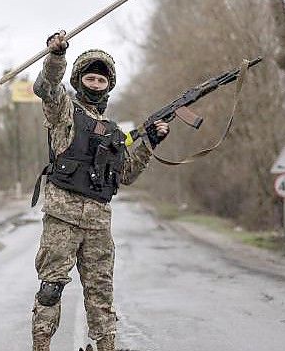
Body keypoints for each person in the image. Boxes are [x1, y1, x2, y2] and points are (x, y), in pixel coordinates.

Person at [30, 31, 169, 351]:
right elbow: (46, 88)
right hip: (62, 217)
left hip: (98, 222)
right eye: (90, 78)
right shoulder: (64, 111)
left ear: (108, 86)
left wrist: (150, 141)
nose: (95, 84)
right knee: (51, 288)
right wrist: (56, 56)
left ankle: (107, 346)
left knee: (101, 293)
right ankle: (40, 346)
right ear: (79, 81)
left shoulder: (115, 132)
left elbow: (127, 174)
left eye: (100, 80)